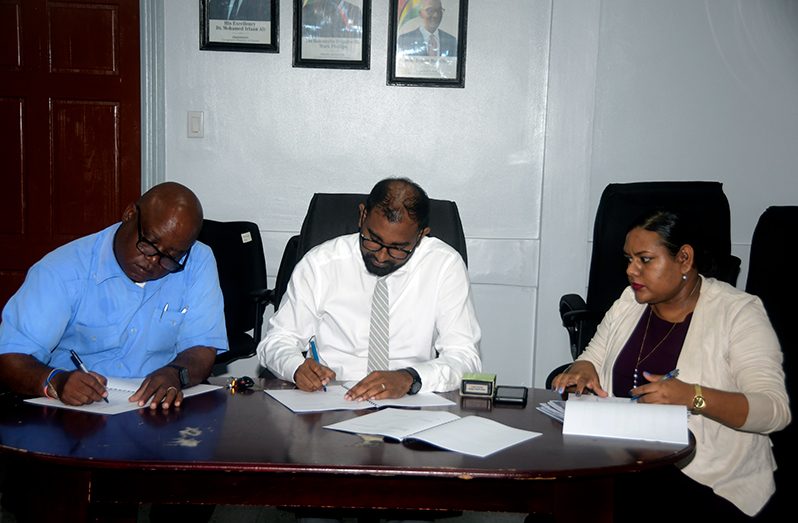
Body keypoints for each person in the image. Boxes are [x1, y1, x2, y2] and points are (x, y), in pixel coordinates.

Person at [550, 209, 790, 520]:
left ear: (684, 259)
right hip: (625, 463)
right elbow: (593, 355)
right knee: (555, 505)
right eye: (628, 259)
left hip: (707, 478)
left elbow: (774, 410)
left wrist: (693, 396)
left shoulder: (738, 314)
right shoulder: (629, 302)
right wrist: (583, 367)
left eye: (645, 260)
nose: (631, 271)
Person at [0, 182, 228, 411]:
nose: (153, 262)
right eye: (149, 244)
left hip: (157, 410)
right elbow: (9, 358)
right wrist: (56, 381)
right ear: (129, 214)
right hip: (75, 414)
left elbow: (202, 348)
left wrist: (175, 374)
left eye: (170, 257)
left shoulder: (197, 261)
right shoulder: (61, 270)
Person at [258, 177, 481, 403]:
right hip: (331, 400)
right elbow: (277, 340)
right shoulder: (321, 263)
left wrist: (409, 378)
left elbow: (464, 357)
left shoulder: (444, 266)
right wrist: (295, 367)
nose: (382, 257)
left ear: (421, 235)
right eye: (373, 240)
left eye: (398, 249)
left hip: (410, 401)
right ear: (362, 216)